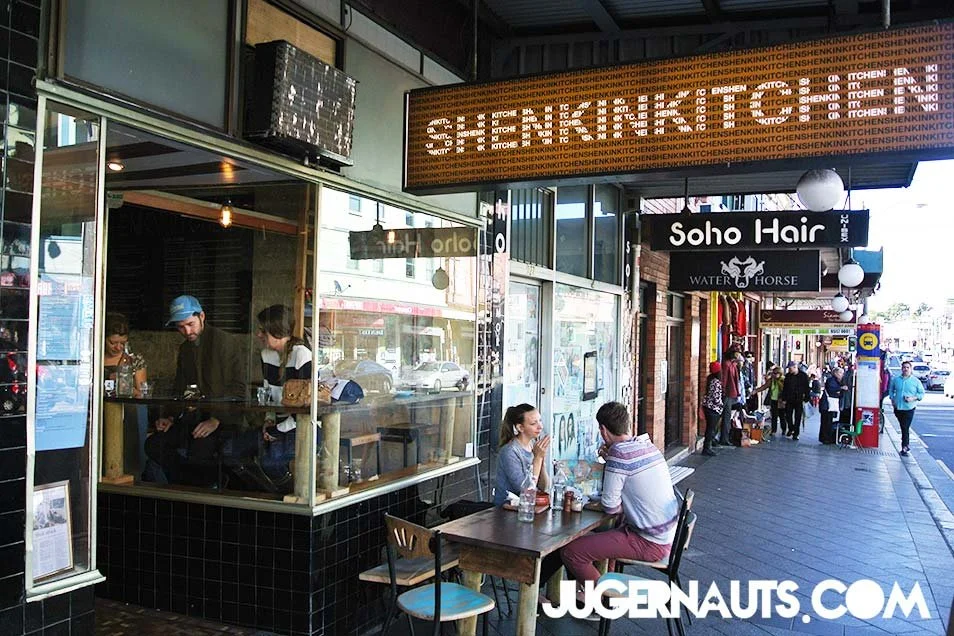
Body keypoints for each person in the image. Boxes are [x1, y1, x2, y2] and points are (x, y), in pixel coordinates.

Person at [561, 402, 679, 587]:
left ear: (603, 430)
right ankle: (590, 591)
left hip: (649, 542)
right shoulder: (646, 445)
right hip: (667, 535)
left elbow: (610, 506)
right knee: (603, 533)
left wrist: (612, 462)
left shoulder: (619, 453)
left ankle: (602, 598)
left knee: (571, 551)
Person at [144, 295, 249, 486]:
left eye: (190, 324)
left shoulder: (225, 342)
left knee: (200, 450)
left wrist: (216, 419)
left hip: (226, 420)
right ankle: (187, 485)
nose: (187, 331)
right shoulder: (185, 349)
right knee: (154, 444)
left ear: (202, 316)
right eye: (181, 327)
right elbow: (181, 387)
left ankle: (196, 487)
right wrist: (170, 417)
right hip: (195, 417)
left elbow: (238, 388)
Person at [256, 304, 312, 486]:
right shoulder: (266, 354)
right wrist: (269, 420)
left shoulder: (302, 355)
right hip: (278, 424)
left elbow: (306, 407)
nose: (258, 335)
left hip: (303, 426)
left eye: (263, 331)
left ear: (277, 332)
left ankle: (286, 491)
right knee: (232, 449)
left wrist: (277, 430)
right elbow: (268, 393)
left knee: (269, 460)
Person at [494, 404, 551, 506]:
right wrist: (537, 459)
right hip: (506, 509)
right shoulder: (510, 451)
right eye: (533, 423)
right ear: (520, 427)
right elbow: (526, 492)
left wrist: (541, 461)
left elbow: (544, 488)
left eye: (540, 421)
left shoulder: (533, 445)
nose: (540, 427)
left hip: (528, 507)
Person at [103, 312, 148, 396]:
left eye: (123, 343)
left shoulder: (135, 360)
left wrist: (127, 388)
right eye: (113, 343)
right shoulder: (94, 358)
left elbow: (142, 395)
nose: (118, 347)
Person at [889, 361, 924, 457]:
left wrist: (912, 398)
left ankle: (905, 446)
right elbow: (891, 390)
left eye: (907, 367)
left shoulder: (916, 381)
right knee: (903, 426)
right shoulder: (896, 380)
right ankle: (905, 444)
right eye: (904, 367)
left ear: (910, 369)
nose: (906, 369)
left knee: (905, 427)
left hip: (909, 408)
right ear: (902, 369)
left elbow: (921, 394)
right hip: (898, 408)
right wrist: (892, 399)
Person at [780, 361, 810, 441]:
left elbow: (807, 388)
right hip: (789, 399)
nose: (789, 370)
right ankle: (791, 428)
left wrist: (806, 398)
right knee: (788, 415)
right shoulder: (788, 376)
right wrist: (784, 399)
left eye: (790, 369)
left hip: (799, 399)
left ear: (795, 367)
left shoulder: (803, 376)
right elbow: (785, 388)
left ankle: (796, 433)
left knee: (798, 417)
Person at [718, 349, 743, 446]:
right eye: (737, 353)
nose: (739, 355)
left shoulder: (733, 364)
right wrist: (723, 391)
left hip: (731, 393)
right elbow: (724, 379)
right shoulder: (727, 364)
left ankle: (724, 438)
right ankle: (717, 437)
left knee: (727, 416)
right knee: (721, 415)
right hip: (726, 393)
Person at [753, 366, 784, 435]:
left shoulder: (783, 380)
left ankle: (784, 429)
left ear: (780, 373)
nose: (774, 375)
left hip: (781, 401)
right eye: (773, 373)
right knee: (774, 416)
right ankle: (773, 430)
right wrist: (756, 390)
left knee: (782, 416)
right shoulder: (771, 380)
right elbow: (764, 386)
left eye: (775, 373)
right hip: (773, 400)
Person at [820, 367, 848, 444]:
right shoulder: (831, 380)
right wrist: (841, 388)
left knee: (828, 421)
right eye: (840, 373)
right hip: (827, 404)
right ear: (835, 373)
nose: (842, 375)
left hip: (829, 405)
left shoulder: (837, 381)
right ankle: (825, 438)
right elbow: (832, 389)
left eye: (842, 373)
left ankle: (826, 437)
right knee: (826, 421)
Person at [700, 361, 722, 456]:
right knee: (711, 429)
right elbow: (716, 397)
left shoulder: (710, 379)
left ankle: (708, 446)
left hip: (708, 407)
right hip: (714, 409)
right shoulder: (716, 382)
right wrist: (721, 405)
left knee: (709, 428)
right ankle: (707, 448)